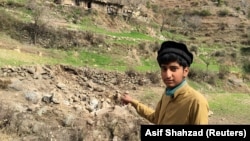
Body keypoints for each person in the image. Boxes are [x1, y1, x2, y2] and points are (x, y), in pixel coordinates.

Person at [121, 40, 209, 124]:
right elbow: (156, 117)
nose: (167, 75)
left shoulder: (196, 101)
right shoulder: (167, 94)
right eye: (164, 69)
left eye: (173, 69)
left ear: (185, 71)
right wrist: (132, 102)